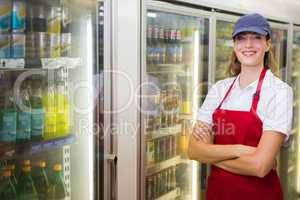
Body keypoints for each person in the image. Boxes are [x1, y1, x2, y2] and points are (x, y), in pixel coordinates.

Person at [188, 13, 293, 200]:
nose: (248, 45)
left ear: (268, 44)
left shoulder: (278, 91)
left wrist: (210, 154)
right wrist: (239, 150)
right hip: (218, 194)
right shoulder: (219, 89)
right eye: (241, 38)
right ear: (234, 45)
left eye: (257, 38)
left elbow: (259, 167)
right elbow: (193, 150)